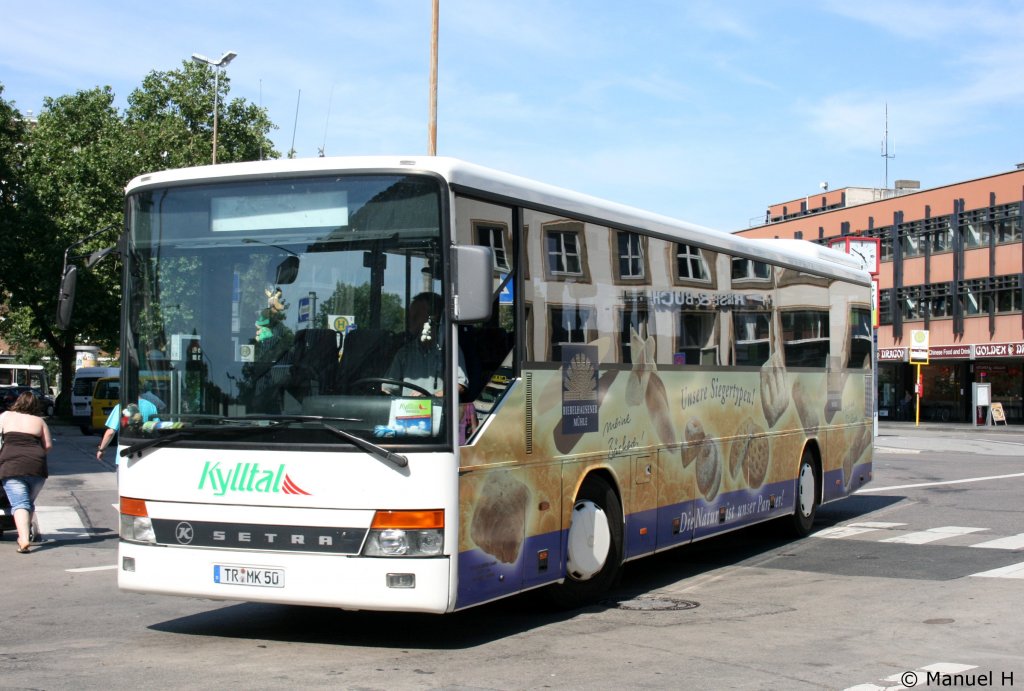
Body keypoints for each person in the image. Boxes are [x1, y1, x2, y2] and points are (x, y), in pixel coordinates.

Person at [384, 292, 467, 397]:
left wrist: (431, 398)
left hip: (439, 411)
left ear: (433, 318)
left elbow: (460, 384)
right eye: (411, 316)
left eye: (417, 315)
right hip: (406, 410)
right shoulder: (404, 353)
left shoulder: (449, 350)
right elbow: (388, 387)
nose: (411, 320)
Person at [0, 391, 53, 553]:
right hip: (37, 466)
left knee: (20, 504)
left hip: (12, 465)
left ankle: (23, 539)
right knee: (27, 503)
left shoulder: (6, 416)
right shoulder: (39, 421)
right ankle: (26, 532)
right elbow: (48, 446)